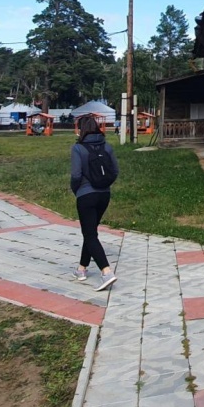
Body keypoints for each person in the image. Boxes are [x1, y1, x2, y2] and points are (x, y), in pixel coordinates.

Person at [70, 113, 119, 290]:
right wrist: (104, 184)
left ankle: (106, 272)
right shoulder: (107, 146)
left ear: (81, 129)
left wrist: (76, 190)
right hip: (104, 195)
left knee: (90, 234)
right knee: (90, 232)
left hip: (86, 195)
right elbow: (115, 171)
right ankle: (81, 269)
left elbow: (76, 175)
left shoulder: (78, 148)